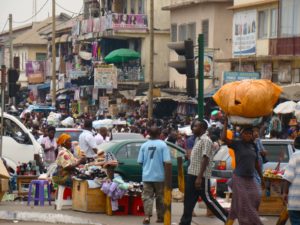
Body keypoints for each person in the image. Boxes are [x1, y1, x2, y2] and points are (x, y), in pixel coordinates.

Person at [180, 120, 228, 225]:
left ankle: (226, 218)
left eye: (195, 126)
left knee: (208, 199)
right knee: (189, 200)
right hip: (192, 173)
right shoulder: (199, 139)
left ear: (202, 128)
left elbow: (205, 158)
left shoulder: (206, 140)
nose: (193, 128)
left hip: (200, 176)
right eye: (193, 126)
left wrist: (199, 177)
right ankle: (184, 222)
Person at [222, 116, 263, 225]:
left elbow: (256, 163)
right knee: (245, 202)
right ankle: (252, 222)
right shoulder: (237, 144)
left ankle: (234, 220)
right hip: (239, 178)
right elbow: (223, 138)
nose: (248, 135)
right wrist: (225, 123)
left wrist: (262, 178)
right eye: (245, 133)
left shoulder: (254, 146)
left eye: (250, 134)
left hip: (250, 178)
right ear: (241, 135)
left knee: (256, 197)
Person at [137, 126, 171, 224]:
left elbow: (140, 161)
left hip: (147, 176)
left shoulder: (144, 145)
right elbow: (167, 162)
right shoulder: (163, 145)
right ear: (159, 134)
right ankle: (160, 217)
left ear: (149, 134)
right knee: (160, 197)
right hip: (160, 176)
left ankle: (147, 216)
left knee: (147, 196)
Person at [283, 136, 300, 225]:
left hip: (296, 201)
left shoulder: (295, 155)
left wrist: (285, 193)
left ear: (294, 145)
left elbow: (288, 176)